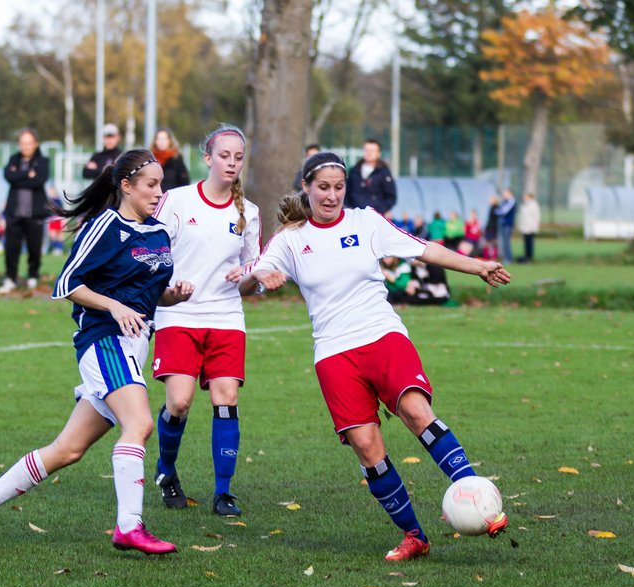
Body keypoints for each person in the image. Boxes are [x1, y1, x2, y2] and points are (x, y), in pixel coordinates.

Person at [241, 151, 511, 561]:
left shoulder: (365, 221)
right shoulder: (291, 240)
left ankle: (476, 495)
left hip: (382, 336)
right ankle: (414, 535)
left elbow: (424, 250)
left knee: (417, 412)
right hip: (333, 353)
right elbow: (252, 279)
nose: (331, 196)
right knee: (367, 447)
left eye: (338, 187)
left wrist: (476, 266)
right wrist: (260, 275)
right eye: (323, 188)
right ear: (308, 189)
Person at [0, 149, 195, 555]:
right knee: (138, 424)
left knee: (68, 449)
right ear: (126, 186)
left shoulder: (157, 232)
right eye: (151, 184)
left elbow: (150, 296)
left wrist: (173, 295)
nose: (159, 192)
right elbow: (67, 283)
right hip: (102, 341)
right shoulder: (103, 226)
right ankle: (129, 527)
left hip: (132, 347)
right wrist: (113, 306)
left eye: (160, 184)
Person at [149, 125, 262, 517]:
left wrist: (249, 278)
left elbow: (253, 277)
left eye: (238, 157)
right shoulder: (176, 201)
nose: (232, 163)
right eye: (225, 155)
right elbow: (151, 253)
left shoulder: (250, 213)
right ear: (208, 158)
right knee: (178, 402)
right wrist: (167, 284)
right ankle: (165, 470)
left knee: (226, 399)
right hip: (178, 314)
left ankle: (223, 491)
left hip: (226, 318)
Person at [0, 129, 50, 293]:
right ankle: (10, 278)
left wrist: (18, 178)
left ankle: (33, 276)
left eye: (29, 143)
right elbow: (8, 176)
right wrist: (27, 174)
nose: (26, 146)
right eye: (23, 143)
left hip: (34, 214)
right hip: (14, 213)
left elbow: (38, 181)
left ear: (35, 144)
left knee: (34, 248)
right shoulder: (13, 159)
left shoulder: (42, 161)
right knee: (11, 248)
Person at [344, 139, 397, 216]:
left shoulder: (384, 172)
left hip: (375, 217)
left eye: (372, 150)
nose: (369, 153)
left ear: (378, 153)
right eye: (366, 150)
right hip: (355, 215)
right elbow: (346, 192)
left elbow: (391, 196)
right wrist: (349, 209)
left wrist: (380, 211)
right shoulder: (354, 170)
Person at [517, 192, 540, 263]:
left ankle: (529, 257)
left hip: (530, 228)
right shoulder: (525, 205)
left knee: (530, 243)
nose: (523, 197)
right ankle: (526, 257)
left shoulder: (534, 205)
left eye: (525, 196)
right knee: (526, 243)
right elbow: (522, 217)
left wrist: (534, 227)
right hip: (525, 228)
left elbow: (536, 217)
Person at [496, 189, 517, 264]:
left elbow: (503, 211)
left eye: (505, 193)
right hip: (503, 224)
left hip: (507, 225)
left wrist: (497, 211)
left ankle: (508, 259)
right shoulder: (505, 201)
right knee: (504, 242)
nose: (504, 195)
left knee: (507, 242)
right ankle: (505, 258)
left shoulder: (511, 201)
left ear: (509, 193)